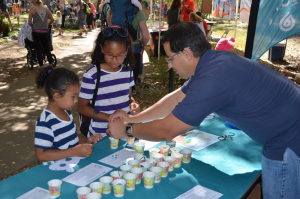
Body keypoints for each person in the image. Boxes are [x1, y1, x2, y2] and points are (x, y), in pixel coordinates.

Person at [107, 22, 300, 199]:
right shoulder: (213, 62)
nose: (169, 65)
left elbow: (167, 131)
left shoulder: (213, 78)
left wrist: (128, 130)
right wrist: (135, 119)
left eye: (170, 59)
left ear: (187, 53)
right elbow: (175, 99)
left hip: (287, 139)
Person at [77, 26, 140, 138]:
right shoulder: (92, 75)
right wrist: (109, 117)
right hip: (100, 134)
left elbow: (129, 97)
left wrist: (134, 103)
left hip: (125, 129)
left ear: (127, 50)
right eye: (109, 54)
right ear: (101, 49)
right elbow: (82, 107)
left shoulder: (128, 70)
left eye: (120, 55)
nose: (114, 59)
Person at [35, 66, 102, 162]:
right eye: (73, 96)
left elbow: (72, 136)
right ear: (57, 96)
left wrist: (86, 141)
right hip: (58, 170)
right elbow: (40, 155)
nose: (76, 100)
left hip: (72, 164)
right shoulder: (45, 122)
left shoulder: (66, 112)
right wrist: (73, 152)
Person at [28, 0, 54, 67]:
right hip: (45, 32)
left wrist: (34, 26)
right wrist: (47, 25)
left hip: (36, 32)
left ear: (33, 2)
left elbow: (29, 22)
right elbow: (52, 20)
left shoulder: (32, 9)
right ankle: (50, 64)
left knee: (38, 50)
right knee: (47, 48)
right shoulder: (46, 8)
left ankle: (41, 66)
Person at [131, 0, 150, 94]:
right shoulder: (139, 14)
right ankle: (132, 88)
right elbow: (146, 36)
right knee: (135, 67)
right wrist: (144, 44)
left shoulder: (119, 13)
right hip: (136, 46)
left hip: (119, 46)